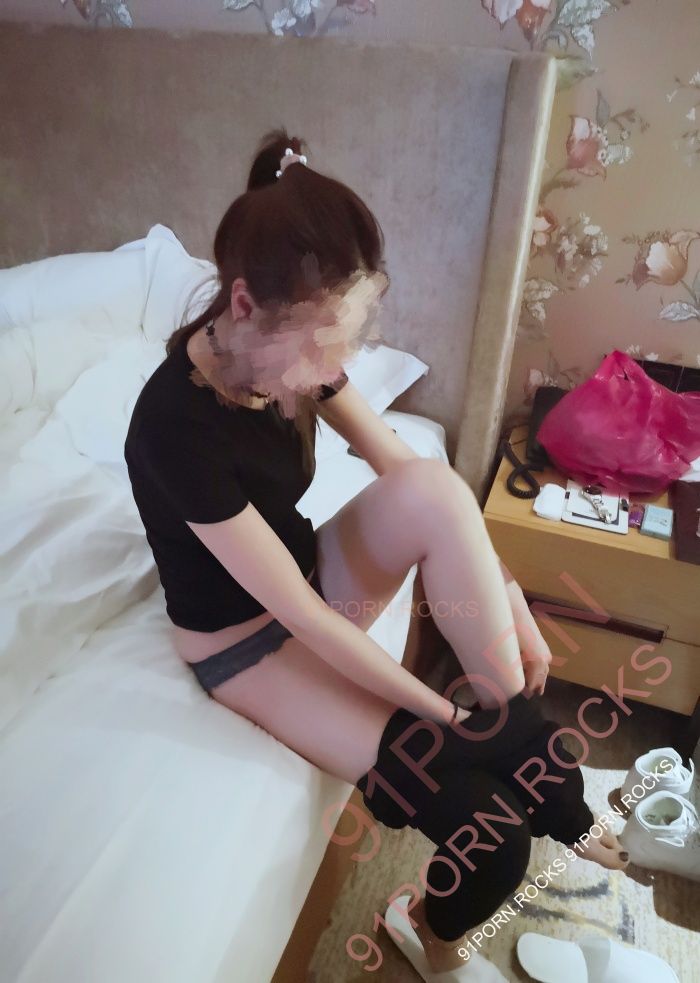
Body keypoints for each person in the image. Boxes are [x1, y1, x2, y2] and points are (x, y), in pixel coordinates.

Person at [123, 128, 629, 977]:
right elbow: (305, 622)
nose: (329, 371)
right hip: (249, 646)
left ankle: (537, 757)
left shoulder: (290, 344)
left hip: (307, 577)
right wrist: (448, 720)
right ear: (241, 305)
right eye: (317, 350)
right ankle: (432, 936)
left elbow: (407, 471)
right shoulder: (173, 426)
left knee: (433, 484)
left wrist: (507, 596)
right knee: (492, 835)